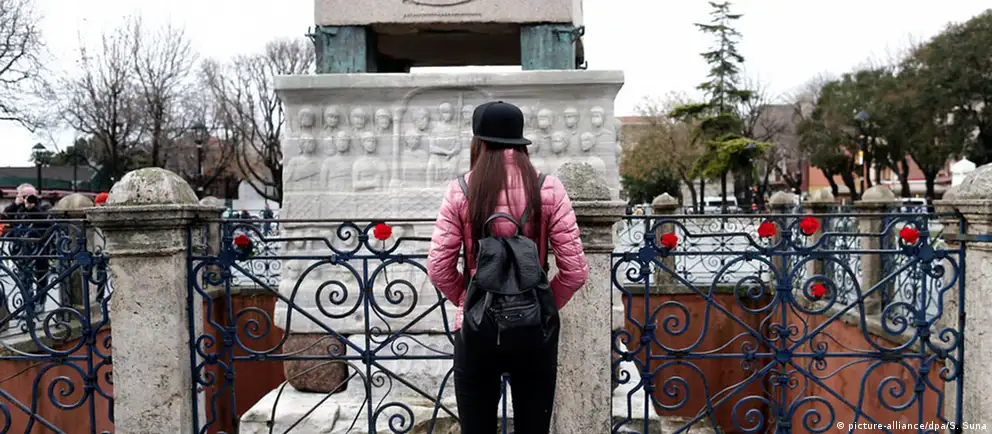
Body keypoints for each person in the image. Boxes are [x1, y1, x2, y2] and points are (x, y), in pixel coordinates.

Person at [427, 101, 588, 433]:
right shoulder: (548, 188)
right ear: (520, 141)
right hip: (534, 331)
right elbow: (575, 272)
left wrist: (468, 302)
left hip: (476, 329)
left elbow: (439, 267)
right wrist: (541, 305)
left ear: (479, 142)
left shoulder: (460, 190)